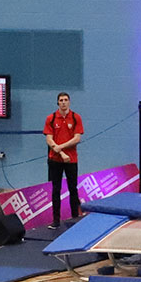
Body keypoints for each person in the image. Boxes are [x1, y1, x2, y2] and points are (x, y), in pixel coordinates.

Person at [43, 92, 84, 226]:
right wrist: (59, 151)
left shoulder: (76, 117)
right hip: (55, 160)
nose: (63, 102)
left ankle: (74, 218)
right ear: (58, 103)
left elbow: (77, 138)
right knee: (56, 190)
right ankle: (56, 220)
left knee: (73, 188)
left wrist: (60, 147)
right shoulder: (51, 118)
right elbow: (49, 139)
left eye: (66, 100)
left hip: (71, 160)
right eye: (61, 100)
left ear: (69, 102)